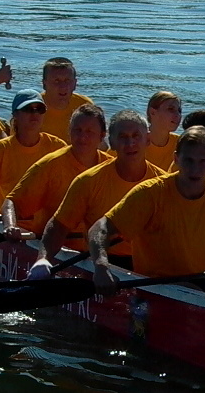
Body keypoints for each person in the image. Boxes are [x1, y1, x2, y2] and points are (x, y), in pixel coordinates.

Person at [88, 126, 205, 292]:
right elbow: (100, 228)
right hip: (156, 284)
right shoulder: (150, 193)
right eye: (189, 160)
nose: (195, 169)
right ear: (176, 159)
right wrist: (101, 265)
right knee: (187, 287)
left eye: (202, 161)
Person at [28, 110, 161, 277]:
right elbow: (59, 226)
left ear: (148, 139)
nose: (130, 143)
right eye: (122, 137)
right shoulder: (88, 181)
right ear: (111, 142)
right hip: (104, 260)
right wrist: (43, 259)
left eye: (136, 136)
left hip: (149, 264)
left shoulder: (163, 183)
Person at [1, 103, 109, 239]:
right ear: (69, 132)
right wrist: (10, 226)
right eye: (77, 130)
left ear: (102, 135)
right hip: (52, 243)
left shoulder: (112, 166)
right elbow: (11, 202)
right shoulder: (49, 164)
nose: (82, 137)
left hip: (95, 247)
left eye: (89, 132)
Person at [0, 89, 67, 218]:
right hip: (8, 225)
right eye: (28, 109)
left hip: (45, 227)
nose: (34, 113)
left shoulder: (58, 147)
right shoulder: (0, 149)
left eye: (39, 109)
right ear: (15, 115)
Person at [40, 57, 94, 141]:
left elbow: (98, 142)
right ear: (44, 84)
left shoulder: (84, 106)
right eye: (56, 81)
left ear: (75, 84)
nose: (63, 86)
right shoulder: (33, 108)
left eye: (67, 80)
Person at [144, 91, 182, 171]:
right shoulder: (134, 140)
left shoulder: (181, 144)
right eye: (171, 109)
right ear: (152, 112)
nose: (177, 115)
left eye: (179, 111)